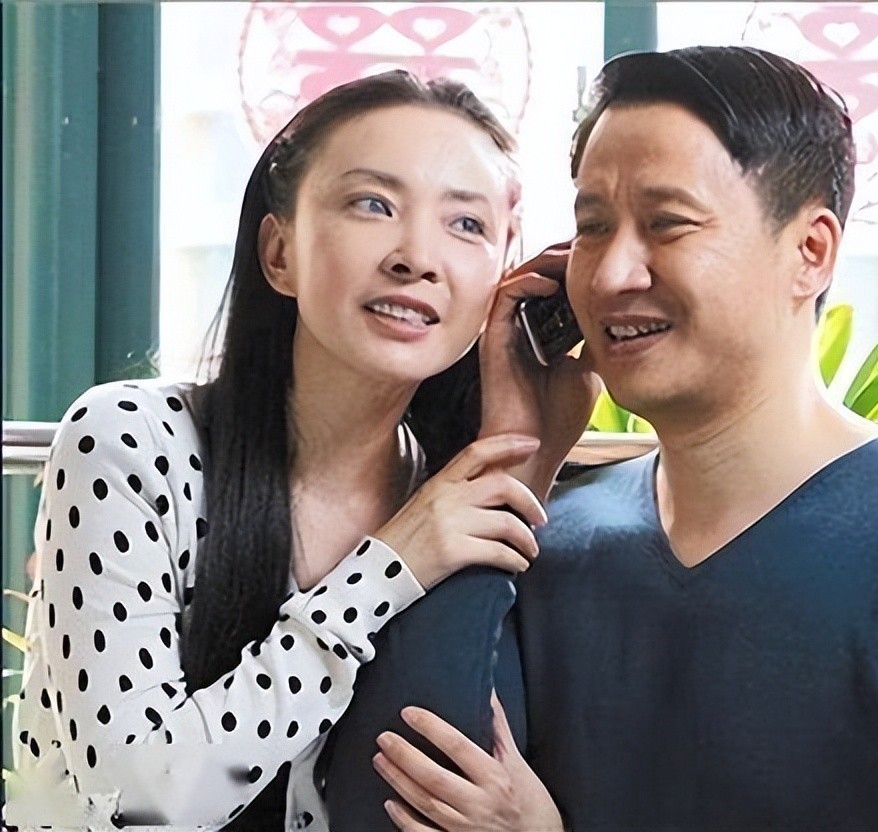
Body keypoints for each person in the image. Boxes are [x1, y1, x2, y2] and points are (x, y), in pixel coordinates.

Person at [360, 46, 878, 832]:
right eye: (592, 227)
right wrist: (516, 447)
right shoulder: (560, 538)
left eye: (667, 225)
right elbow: (404, 783)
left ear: (810, 252)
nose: (612, 273)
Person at [4, 70, 593, 831]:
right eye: (373, 204)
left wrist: (520, 454)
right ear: (279, 251)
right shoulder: (133, 441)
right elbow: (134, 807)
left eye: (466, 225)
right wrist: (390, 566)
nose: (418, 256)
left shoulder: (447, 495)